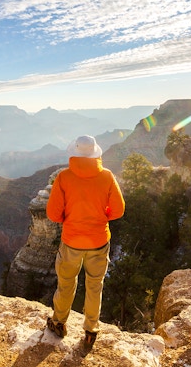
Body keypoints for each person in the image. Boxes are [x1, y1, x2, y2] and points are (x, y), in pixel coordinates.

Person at [45, 135, 125, 350]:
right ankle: (91, 330)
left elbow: (53, 214)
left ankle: (59, 323)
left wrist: (71, 220)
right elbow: (117, 210)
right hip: (99, 241)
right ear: (95, 153)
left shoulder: (64, 177)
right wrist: (100, 216)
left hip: (71, 242)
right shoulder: (107, 176)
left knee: (66, 284)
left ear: (75, 152)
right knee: (94, 286)